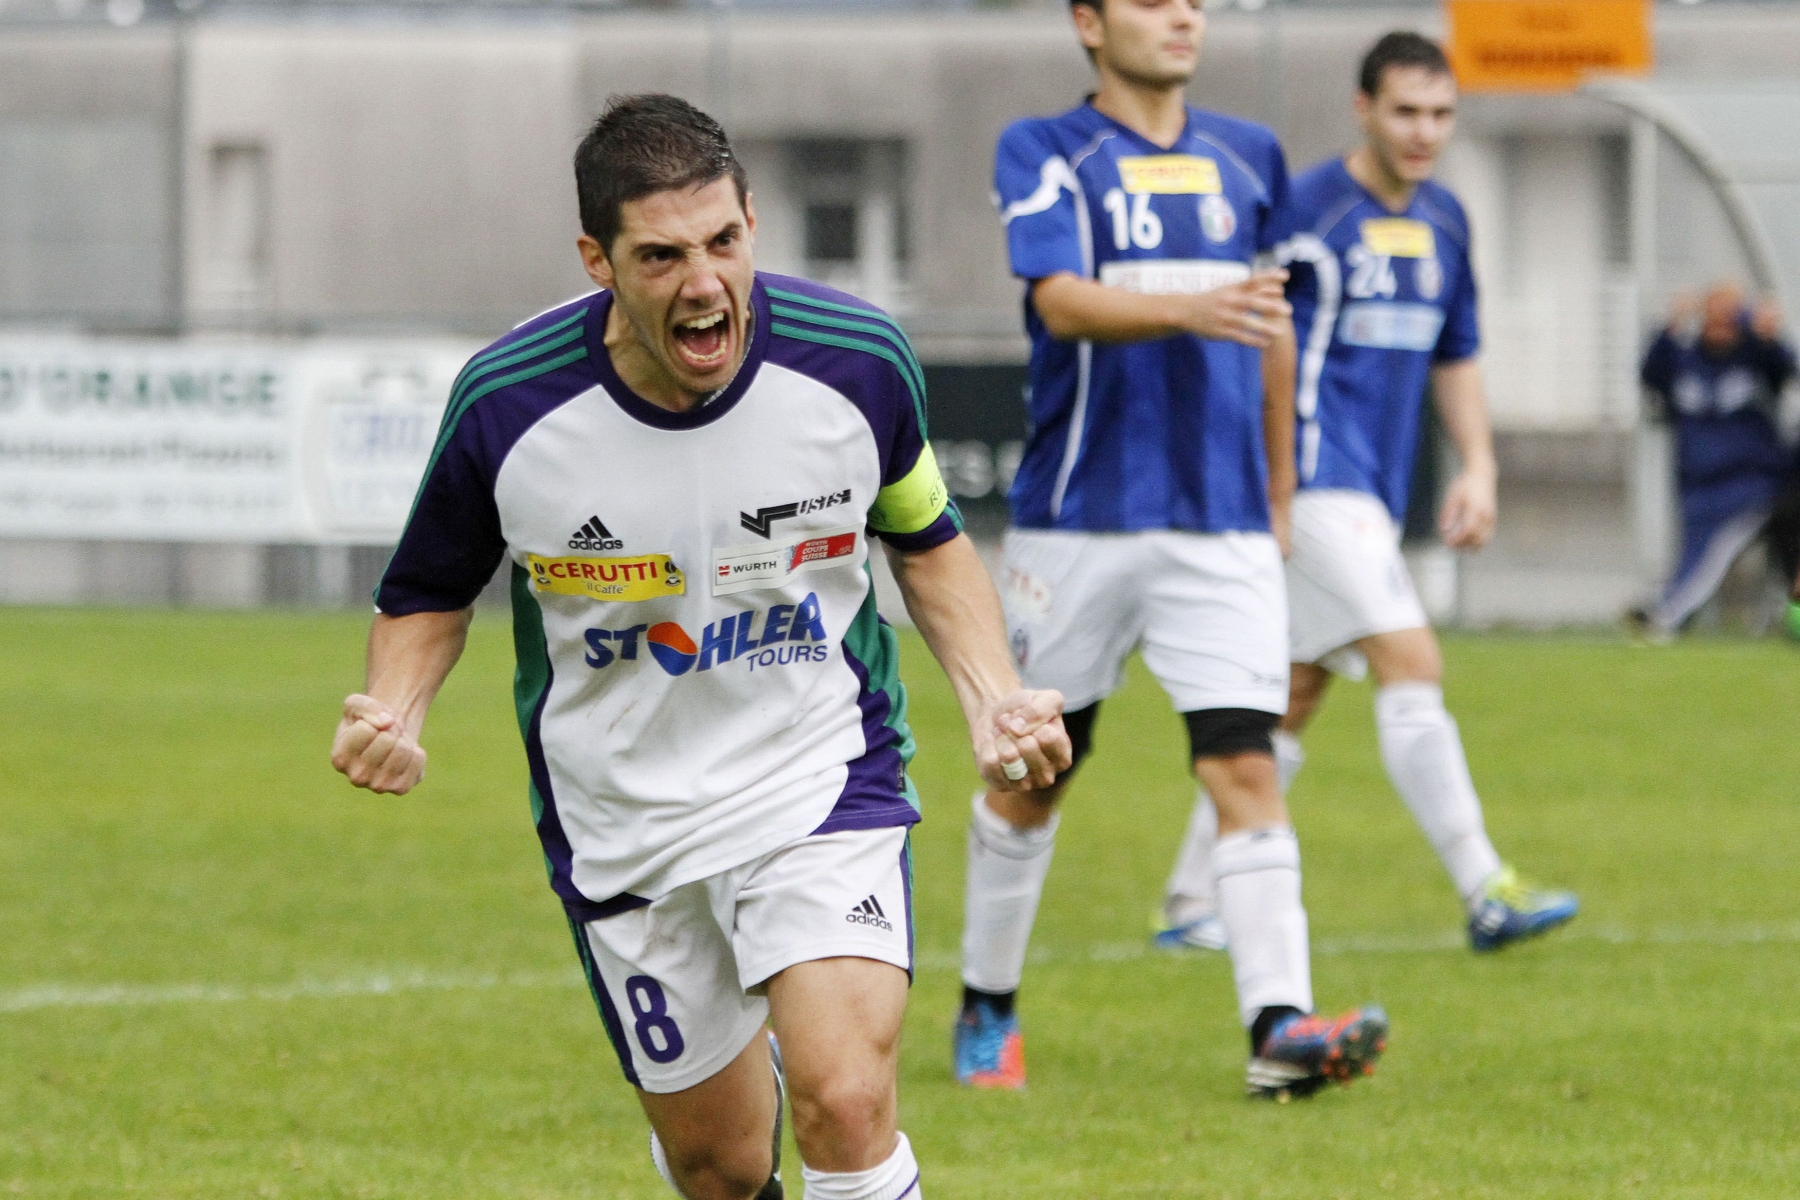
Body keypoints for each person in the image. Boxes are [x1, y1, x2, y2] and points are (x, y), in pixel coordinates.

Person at [329, 94, 1072, 1200]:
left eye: (725, 241)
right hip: (622, 820)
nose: (704, 282)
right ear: (598, 260)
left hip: (818, 780)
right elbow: (430, 591)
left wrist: (991, 692)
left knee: (846, 1100)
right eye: (662, 255)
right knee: (720, 1169)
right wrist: (395, 708)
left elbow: (925, 539)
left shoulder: (857, 365)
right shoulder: (507, 407)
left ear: (753, 223)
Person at [959, 0, 1388, 1101]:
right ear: (1090, 23)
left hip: (1225, 524)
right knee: (1032, 779)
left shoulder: (1250, 156)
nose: (1185, 15)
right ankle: (987, 1004)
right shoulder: (1047, 148)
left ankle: (1278, 1031)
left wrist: (1281, 488)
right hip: (1079, 521)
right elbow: (1058, 300)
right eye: (1155, 0)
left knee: (1245, 762)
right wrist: (1193, 307)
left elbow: (1272, 321)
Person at [1158, 32, 1578, 959]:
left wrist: (1479, 464)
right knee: (1412, 660)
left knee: (1292, 695)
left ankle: (1192, 902)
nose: (1424, 132)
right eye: (1405, 112)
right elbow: (1242, 336)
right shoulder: (1305, 209)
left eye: (1440, 114)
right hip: (1309, 482)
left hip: (1372, 493)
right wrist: (1266, 486)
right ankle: (1485, 887)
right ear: (1364, 108)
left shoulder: (1448, 220)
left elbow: (1456, 353)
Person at [1637, 284, 1798, 637]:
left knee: (1716, 549)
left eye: (1730, 318)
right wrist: (1670, 328)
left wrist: (1766, 334)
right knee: (1697, 555)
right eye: (1714, 317)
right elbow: (1649, 374)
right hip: (1698, 486)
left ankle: (1666, 615)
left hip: (1755, 485)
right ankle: (1667, 611)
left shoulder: (1755, 358)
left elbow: (1786, 366)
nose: (1720, 327)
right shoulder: (1683, 360)